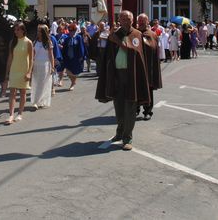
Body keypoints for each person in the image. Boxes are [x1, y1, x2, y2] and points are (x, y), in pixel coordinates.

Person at [96, 10, 150, 151]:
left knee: (130, 107)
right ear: (119, 20)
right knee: (118, 107)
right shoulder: (115, 34)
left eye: (128, 18)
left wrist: (118, 43)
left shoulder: (136, 34)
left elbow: (135, 52)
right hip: (116, 75)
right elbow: (107, 54)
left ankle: (128, 137)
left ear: (133, 20)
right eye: (123, 18)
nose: (126, 21)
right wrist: (110, 38)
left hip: (131, 75)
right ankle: (119, 132)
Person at [5, 22, 33, 124]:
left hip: (24, 70)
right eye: (15, 30)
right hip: (14, 69)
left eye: (17, 29)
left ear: (22, 30)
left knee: (22, 92)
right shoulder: (12, 42)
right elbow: (10, 58)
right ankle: (11, 114)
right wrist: (7, 72)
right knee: (12, 92)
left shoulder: (28, 42)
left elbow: (31, 59)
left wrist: (29, 72)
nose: (15, 31)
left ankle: (20, 113)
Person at [137, 13, 162, 120]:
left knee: (148, 90)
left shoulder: (153, 35)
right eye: (140, 20)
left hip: (148, 68)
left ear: (148, 21)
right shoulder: (134, 33)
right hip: (137, 68)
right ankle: (135, 109)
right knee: (135, 89)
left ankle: (148, 111)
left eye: (143, 20)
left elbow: (154, 51)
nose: (141, 22)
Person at [31, 24, 55, 109]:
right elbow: (33, 55)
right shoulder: (35, 42)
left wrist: (52, 67)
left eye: (40, 31)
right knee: (36, 83)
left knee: (42, 83)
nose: (38, 33)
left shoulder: (48, 42)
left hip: (45, 64)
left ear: (43, 32)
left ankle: (36, 102)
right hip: (36, 64)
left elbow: (51, 55)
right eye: (37, 31)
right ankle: (39, 100)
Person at [61, 22, 85, 90]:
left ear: (75, 30)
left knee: (74, 71)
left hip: (76, 57)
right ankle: (73, 82)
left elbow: (81, 47)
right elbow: (64, 48)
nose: (71, 32)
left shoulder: (78, 37)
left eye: (72, 30)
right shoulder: (67, 38)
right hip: (68, 57)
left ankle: (72, 83)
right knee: (68, 71)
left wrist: (81, 56)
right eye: (70, 30)